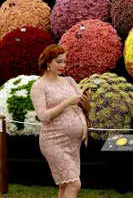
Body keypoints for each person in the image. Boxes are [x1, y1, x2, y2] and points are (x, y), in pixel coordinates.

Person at [30, 44, 91, 198]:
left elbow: (87, 108)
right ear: (48, 62)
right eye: (59, 61)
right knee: (74, 184)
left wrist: (86, 102)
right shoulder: (39, 86)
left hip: (73, 143)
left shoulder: (69, 81)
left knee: (65, 185)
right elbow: (43, 116)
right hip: (53, 141)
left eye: (64, 61)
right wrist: (68, 102)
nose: (63, 65)